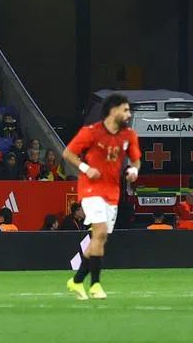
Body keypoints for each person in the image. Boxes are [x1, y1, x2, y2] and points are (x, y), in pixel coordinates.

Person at [63, 92, 142, 300]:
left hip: (112, 192)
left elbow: (135, 160)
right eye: (125, 110)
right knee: (99, 232)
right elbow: (68, 152)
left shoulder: (129, 135)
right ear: (113, 110)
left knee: (100, 238)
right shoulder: (91, 132)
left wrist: (134, 171)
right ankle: (95, 285)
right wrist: (85, 168)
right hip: (90, 189)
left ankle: (77, 281)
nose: (128, 114)